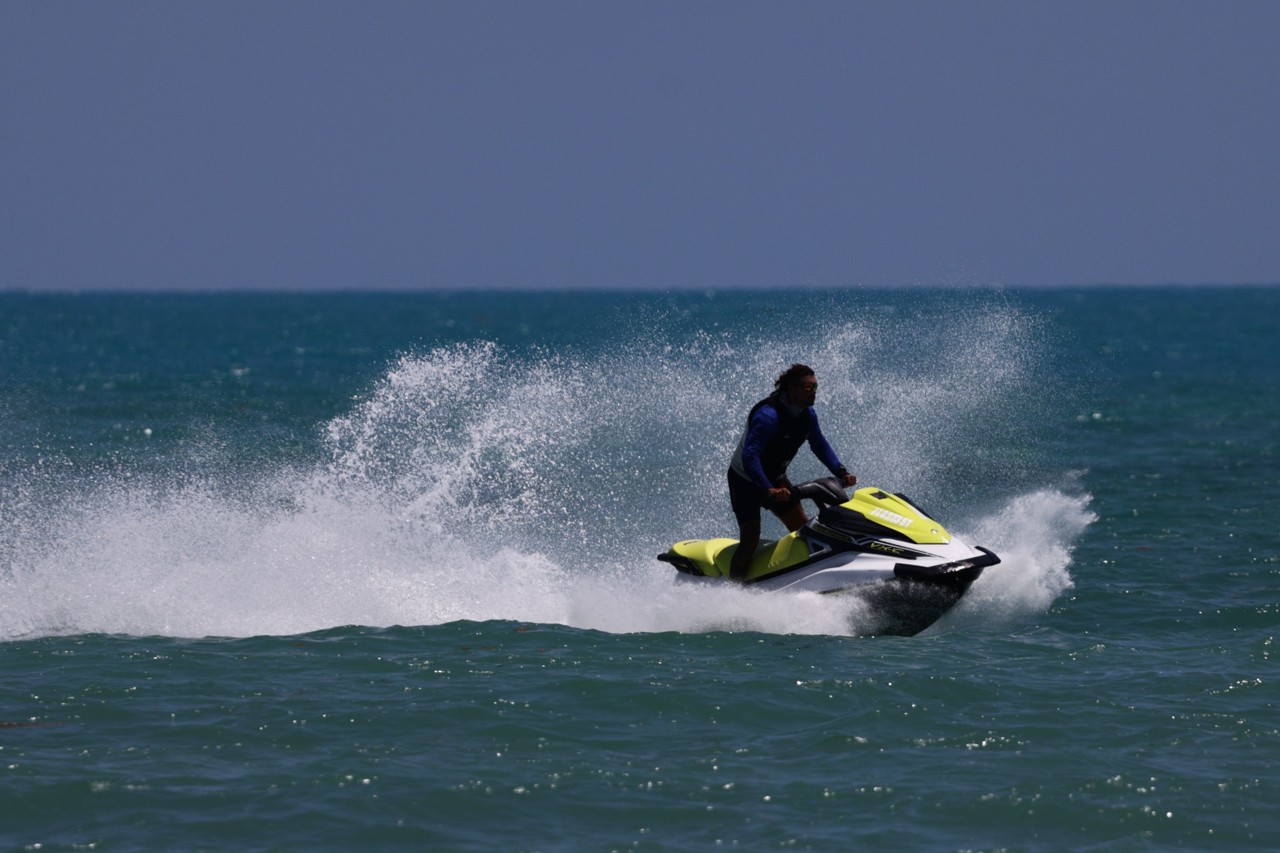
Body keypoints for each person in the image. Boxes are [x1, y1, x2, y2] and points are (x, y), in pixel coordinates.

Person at [727, 364, 857, 581]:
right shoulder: (768, 416)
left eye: (815, 386)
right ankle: (733, 591)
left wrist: (841, 471)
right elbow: (751, 456)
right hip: (746, 482)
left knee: (802, 529)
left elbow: (819, 444)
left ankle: (803, 578)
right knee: (750, 538)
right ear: (791, 388)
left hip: (776, 480)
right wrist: (767, 488)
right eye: (807, 387)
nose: (813, 391)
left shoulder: (807, 415)